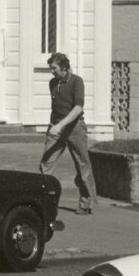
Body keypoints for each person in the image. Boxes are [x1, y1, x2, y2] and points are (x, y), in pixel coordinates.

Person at [39, 52, 97, 214]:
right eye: (51, 69)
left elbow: (78, 108)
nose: (52, 72)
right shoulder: (52, 83)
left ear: (64, 67)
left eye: (54, 68)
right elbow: (55, 108)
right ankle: (43, 201)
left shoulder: (77, 82)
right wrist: (52, 126)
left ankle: (86, 203)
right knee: (46, 163)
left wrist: (61, 125)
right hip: (56, 128)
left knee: (82, 165)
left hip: (75, 128)